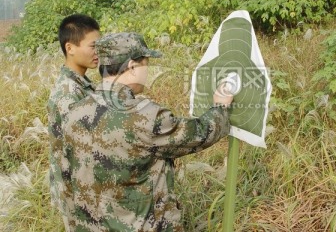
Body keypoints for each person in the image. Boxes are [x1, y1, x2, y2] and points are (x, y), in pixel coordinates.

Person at [63, 32, 234, 231]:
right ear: (132, 67)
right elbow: (200, 133)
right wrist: (220, 108)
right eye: (146, 64)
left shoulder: (74, 111)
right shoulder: (144, 115)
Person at [47, 14, 100, 230]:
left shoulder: (82, 84)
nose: (98, 52)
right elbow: (82, 150)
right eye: (93, 46)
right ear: (70, 48)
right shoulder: (68, 94)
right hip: (77, 194)